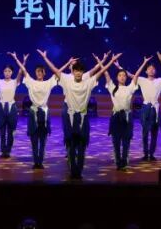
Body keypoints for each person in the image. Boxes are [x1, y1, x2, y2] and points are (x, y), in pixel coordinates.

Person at [39, 49, 115, 180]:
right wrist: (45, 58)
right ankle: (73, 169)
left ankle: (78, 171)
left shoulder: (88, 82)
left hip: (83, 117)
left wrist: (109, 61)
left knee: (82, 145)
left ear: (82, 72)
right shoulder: (67, 80)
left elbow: (100, 70)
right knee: (71, 144)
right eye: (76, 70)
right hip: (70, 116)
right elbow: (55, 70)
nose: (78, 72)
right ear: (73, 71)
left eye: (80, 70)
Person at [13, 52, 61, 169]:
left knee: (43, 139)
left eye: (41, 71)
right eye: (37, 71)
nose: (39, 73)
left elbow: (58, 72)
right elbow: (23, 70)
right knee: (34, 139)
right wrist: (16, 58)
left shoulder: (48, 82)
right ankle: (36, 162)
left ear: (44, 73)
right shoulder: (31, 82)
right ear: (35, 73)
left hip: (44, 113)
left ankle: (41, 161)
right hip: (33, 112)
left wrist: (68, 62)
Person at [104, 56, 149, 170]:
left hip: (127, 117)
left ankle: (124, 161)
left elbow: (136, 75)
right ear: (117, 77)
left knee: (126, 141)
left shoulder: (129, 88)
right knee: (116, 141)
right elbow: (105, 73)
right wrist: (102, 61)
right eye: (120, 75)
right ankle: (118, 161)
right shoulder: (112, 87)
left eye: (124, 75)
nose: (122, 77)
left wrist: (144, 63)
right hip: (115, 117)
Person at [0, 55, 24, 159]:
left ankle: (8, 150)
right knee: (2, 132)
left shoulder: (15, 82)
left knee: (10, 132)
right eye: (5, 71)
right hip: (1, 107)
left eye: (9, 71)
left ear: (12, 72)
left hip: (11, 108)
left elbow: (21, 71)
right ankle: (3, 151)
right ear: (3, 72)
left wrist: (20, 60)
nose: (7, 73)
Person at [136, 58, 161, 162]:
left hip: (155, 108)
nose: (151, 70)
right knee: (145, 133)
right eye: (149, 68)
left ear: (155, 71)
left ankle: (151, 154)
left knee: (154, 133)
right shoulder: (142, 80)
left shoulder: (160, 80)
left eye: (153, 68)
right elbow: (131, 75)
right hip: (146, 108)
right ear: (146, 71)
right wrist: (119, 67)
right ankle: (145, 153)